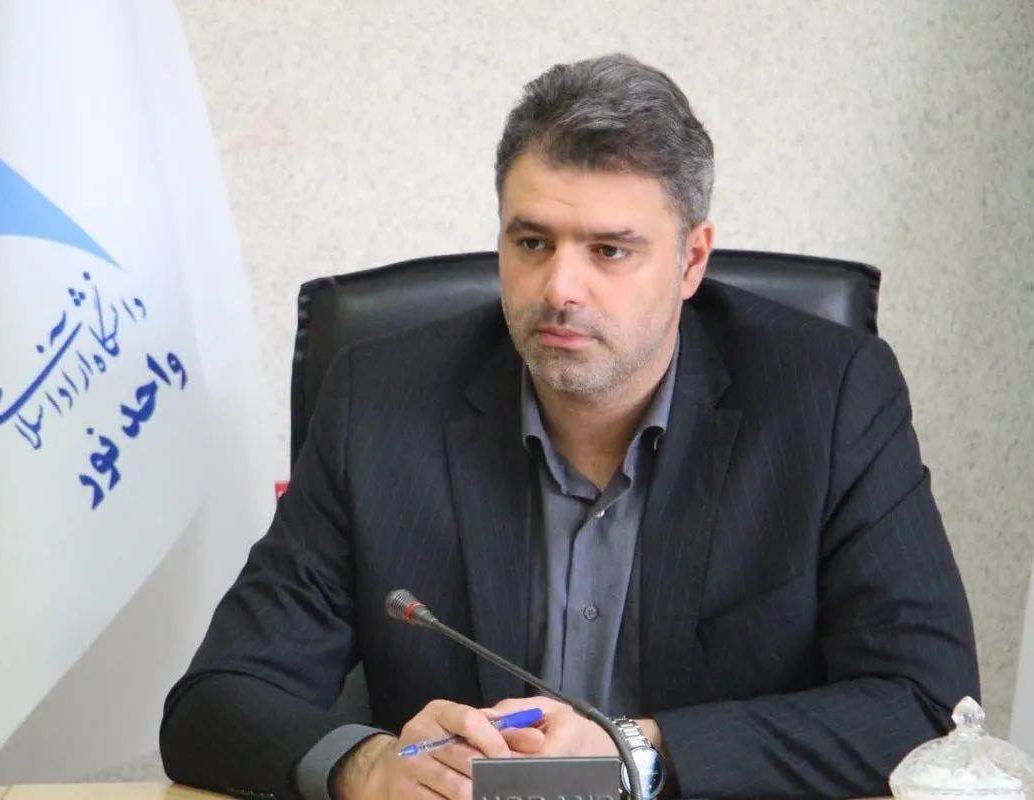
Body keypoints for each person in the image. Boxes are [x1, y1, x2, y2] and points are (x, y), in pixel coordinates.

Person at [159, 53, 979, 800]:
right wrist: (367, 765)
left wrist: (639, 751)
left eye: (610, 251)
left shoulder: (829, 398)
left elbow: (928, 702)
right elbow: (216, 701)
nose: (560, 289)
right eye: (532, 242)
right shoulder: (379, 404)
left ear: (692, 260)